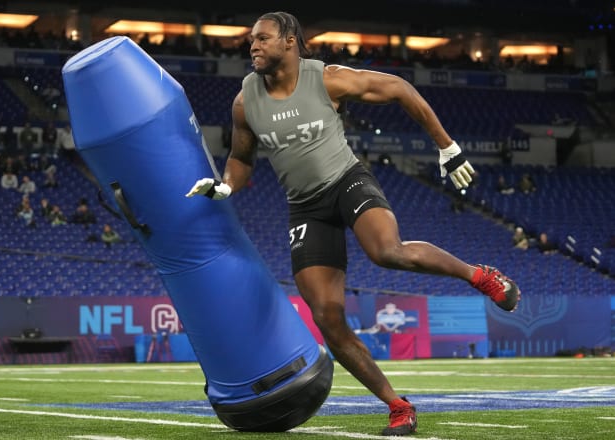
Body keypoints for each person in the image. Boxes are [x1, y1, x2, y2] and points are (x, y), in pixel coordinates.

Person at [185, 11, 520, 437]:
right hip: (305, 207)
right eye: (251, 39)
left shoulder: (327, 79)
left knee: (387, 252)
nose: (253, 45)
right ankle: (398, 406)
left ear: (290, 41)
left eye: (263, 39)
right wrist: (226, 186)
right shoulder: (244, 100)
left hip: (347, 180)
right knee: (326, 315)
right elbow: (241, 158)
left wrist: (447, 146)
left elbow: (398, 87)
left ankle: (480, 276)